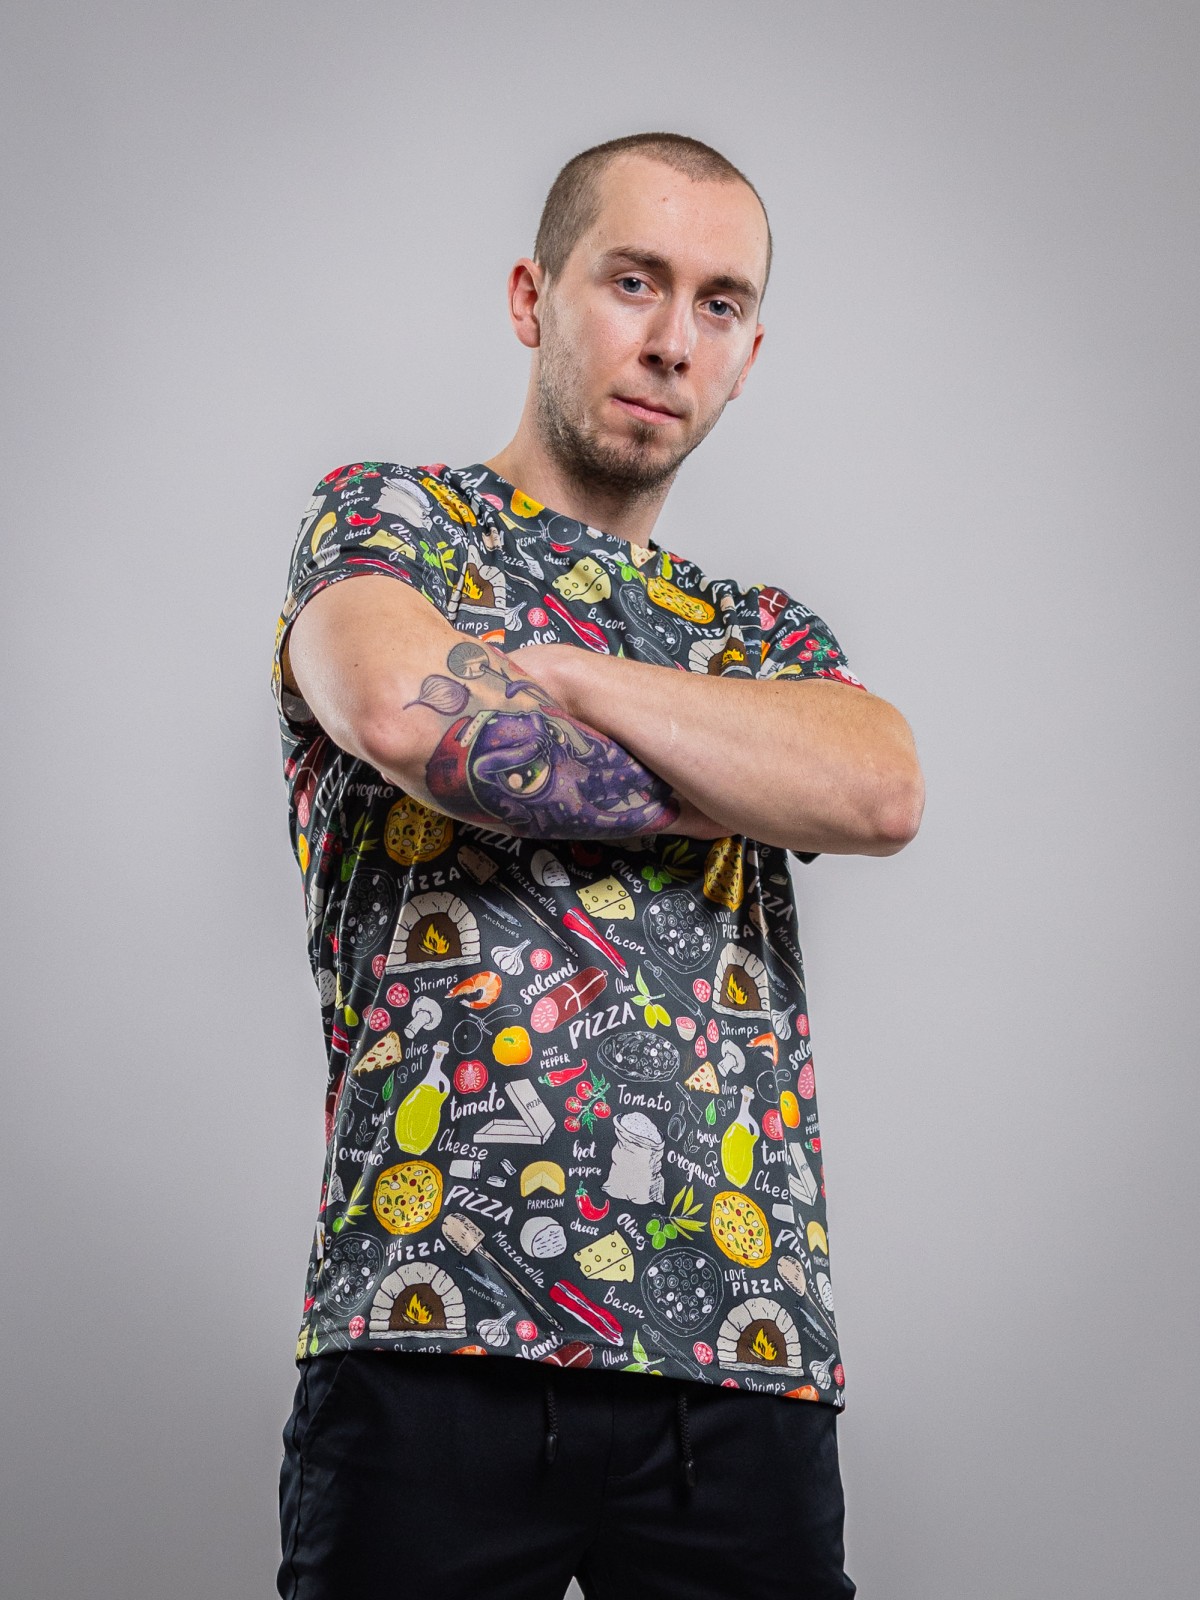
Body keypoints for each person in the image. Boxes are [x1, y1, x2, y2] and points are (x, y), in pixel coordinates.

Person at [270, 131, 924, 1600]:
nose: (673, 339)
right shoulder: (388, 525)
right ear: (533, 296)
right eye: (635, 281)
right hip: (428, 1325)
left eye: (719, 303)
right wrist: (729, 776)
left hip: (740, 1354)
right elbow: (406, 717)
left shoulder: (760, 627)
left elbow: (878, 789)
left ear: (749, 354)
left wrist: (557, 675)